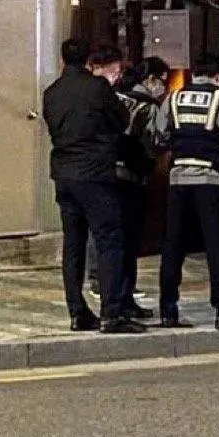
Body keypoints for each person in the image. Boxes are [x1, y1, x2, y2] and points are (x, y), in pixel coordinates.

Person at [42, 37, 146, 335]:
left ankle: (77, 312)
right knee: (108, 239)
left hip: (64, 174)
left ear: (63, 59)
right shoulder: (98, 87)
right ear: (88, 61)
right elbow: (121, 120)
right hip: (95, 174)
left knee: (73, 245)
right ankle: (111, 313)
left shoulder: (52, 92)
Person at [155, 52, 219, 331]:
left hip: (178, 181)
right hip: (212, 180)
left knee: (173, 246)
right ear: (218, 76)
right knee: (216, 246)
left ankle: (168, 310)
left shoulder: (173, 98)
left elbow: (159, 135)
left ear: (194, 74)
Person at [86, 50, 170, 319]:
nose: (164, 87)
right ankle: (121, 298)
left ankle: (116, 292)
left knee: (111, 235)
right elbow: (154, 142)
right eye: (163, 81)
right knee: (128, 239)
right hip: (131, 176)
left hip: (107, 172)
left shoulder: (116, 97)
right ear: (152, 80)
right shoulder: (148, 107)